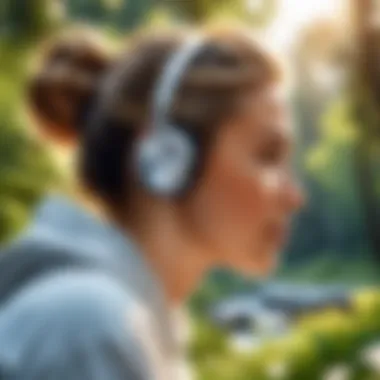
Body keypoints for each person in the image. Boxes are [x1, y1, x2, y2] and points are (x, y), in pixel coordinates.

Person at [0, 25, 304, 379]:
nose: (294, 197)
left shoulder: (127, 324)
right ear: (166, 155)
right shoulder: (93, 325)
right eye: (267, 156)